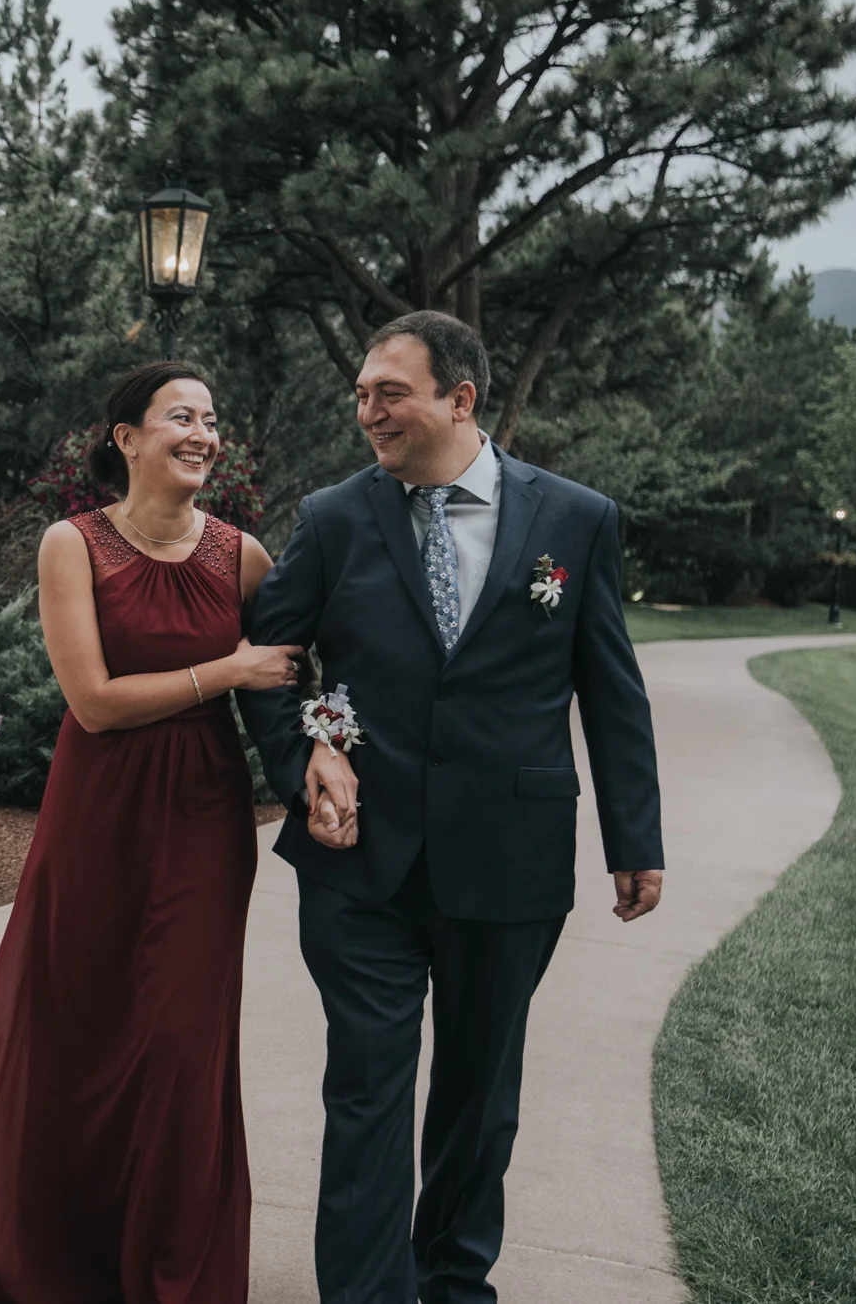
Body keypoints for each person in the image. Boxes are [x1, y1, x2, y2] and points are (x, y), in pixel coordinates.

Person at [238, 309, 666, 1304]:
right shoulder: (333, 518)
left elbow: (611, 690)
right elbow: (269, 663)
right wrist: (307, 756)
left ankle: (451, 1283)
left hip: (510, 857)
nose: (367, 412)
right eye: (359, 394)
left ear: (460, 398)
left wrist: (633, 837)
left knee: (479, 1098)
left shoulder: (575, 520)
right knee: (366, 1089)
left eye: (388, 393)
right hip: (358, 860)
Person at [0, 361, 309, 1304]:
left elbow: (294, 674)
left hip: (204, 818)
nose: (203, 434)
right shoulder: (72, 544)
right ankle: (59, 1248)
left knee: (182, 1039)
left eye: (211, 419)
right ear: (127, 437)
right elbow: (94, 701)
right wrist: (226, 671)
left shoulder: (243, 556)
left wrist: (323, 758)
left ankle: (170, 1267)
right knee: (76, 1017)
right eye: (180, 416)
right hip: (98, 811)